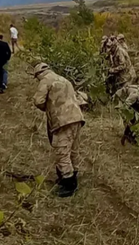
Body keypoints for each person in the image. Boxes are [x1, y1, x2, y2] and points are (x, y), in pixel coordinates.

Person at [32, 63, 85, 198]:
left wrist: (48, 108)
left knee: (62, 152)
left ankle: (69, 183)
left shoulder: (46, 80)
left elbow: (38, 101)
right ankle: (74, 173)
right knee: (73, 149)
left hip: (63, 120)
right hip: (77, 117)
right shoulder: (64, 79)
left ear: (39, 74)